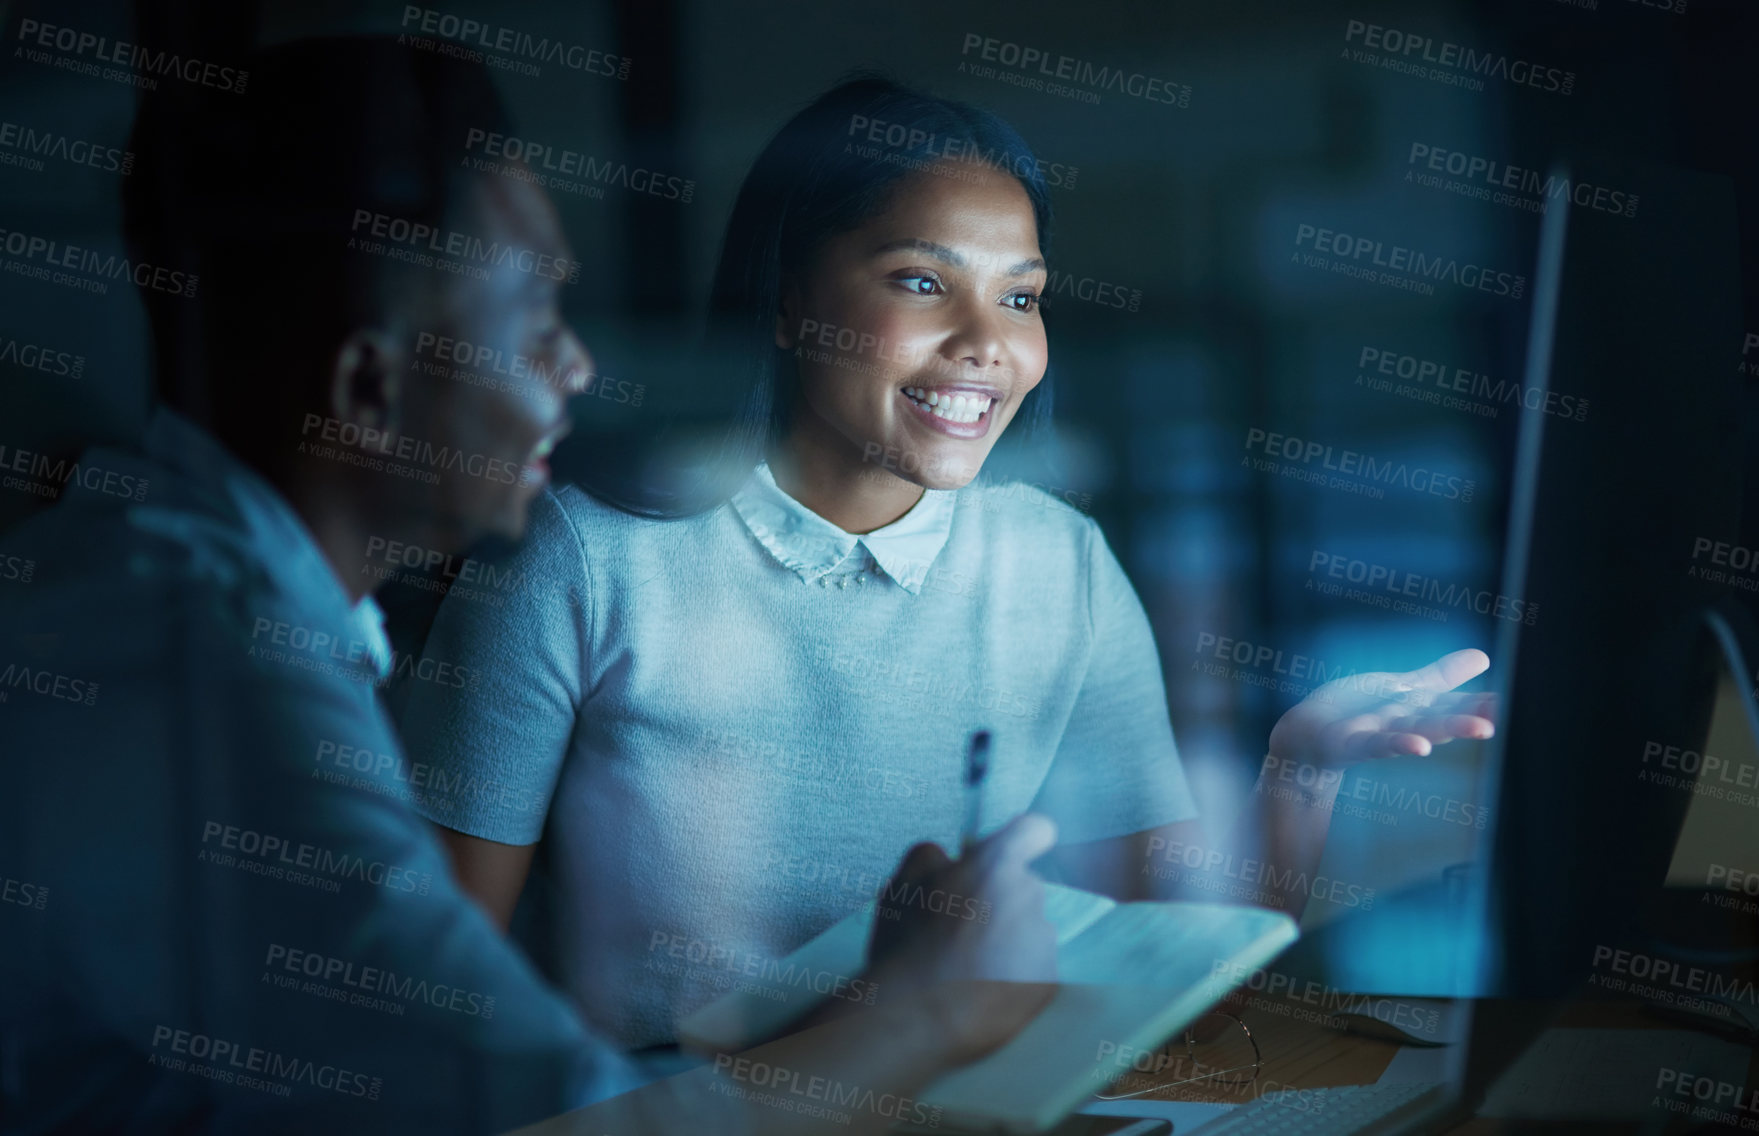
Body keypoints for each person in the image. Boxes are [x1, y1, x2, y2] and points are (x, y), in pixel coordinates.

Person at [0, 39, 1057, 1135]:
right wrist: (926, 1014)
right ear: (369, 386)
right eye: (534, 320)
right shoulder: (210, 670)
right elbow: (553, 1124)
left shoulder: (185, 588)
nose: (576, 367)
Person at [395, 76, 1497, 1051]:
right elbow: (441, 1005)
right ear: (788, 300)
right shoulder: (583, 563)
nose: (989, 343)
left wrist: (1298, 771)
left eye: (1020, 295)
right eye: (923, 281)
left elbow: (1181, 999)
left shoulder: (1057, 563)